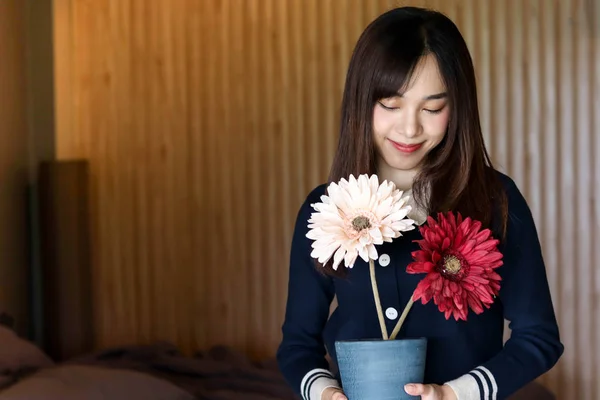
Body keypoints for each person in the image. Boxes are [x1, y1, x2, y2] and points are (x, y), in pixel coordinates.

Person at [276, 6, 563, 400]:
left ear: (457, 107)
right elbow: (297, 344)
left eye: (432, 108)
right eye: (391, 105)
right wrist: (325, 392)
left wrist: (457, 394)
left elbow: (539, 338)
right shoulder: (326, 210)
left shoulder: (494, 199)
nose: (410, 128)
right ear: (362, 101)